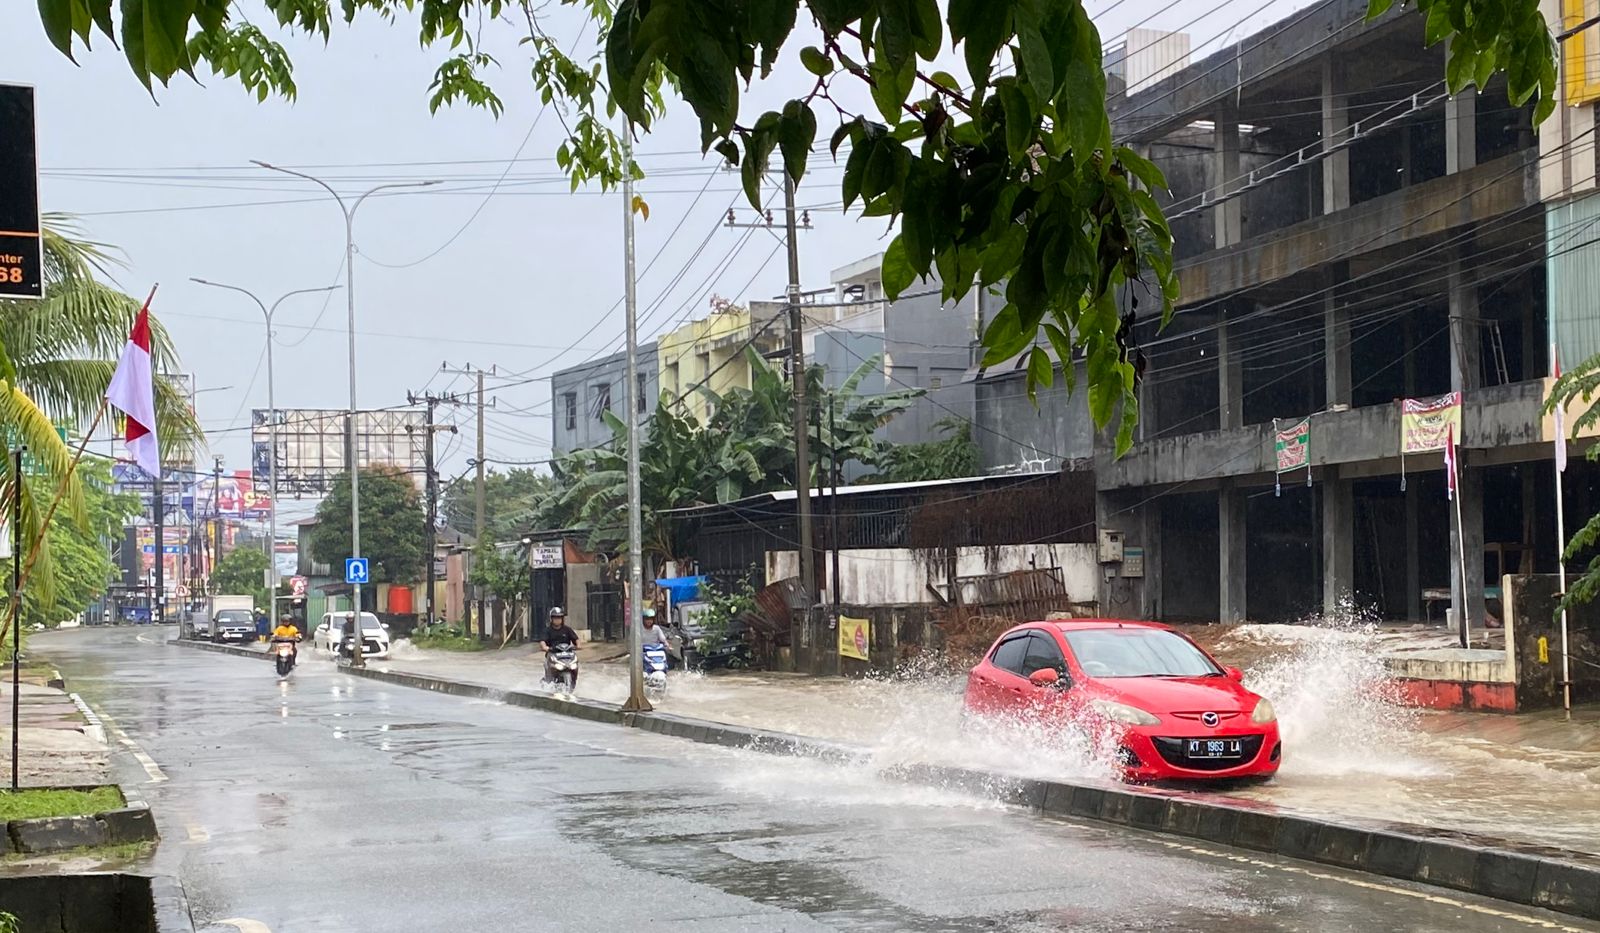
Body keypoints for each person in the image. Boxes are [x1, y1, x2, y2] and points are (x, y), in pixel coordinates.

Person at [543, 607, 579, 687]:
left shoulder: (567, 629)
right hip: (553, 654)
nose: (557, 620)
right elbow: (543, 642)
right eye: (555, 618)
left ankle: (574, 680)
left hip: (567, 654)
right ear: (551, 619)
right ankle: (549, 682)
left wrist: (578, 646)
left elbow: (576, 639)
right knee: (550, 667)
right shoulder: (548, 630)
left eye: (559, 618)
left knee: (575, 665)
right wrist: (546, 648)